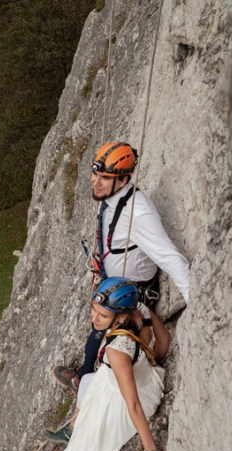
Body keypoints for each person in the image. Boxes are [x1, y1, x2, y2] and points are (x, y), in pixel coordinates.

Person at [53, 141, 189, 396]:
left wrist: (199, 303)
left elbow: (171, 259)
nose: (96, 182)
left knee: (108, 341)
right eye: (95, 174)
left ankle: (90, 387)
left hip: (130, 294)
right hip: (114, 284)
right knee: (97, 330)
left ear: (124, 179)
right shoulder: (110, 196)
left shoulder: (138, 213)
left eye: (105, 177)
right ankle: (84, 375)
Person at [35, 277, 169, 451]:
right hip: (149, 381)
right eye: (93, 310)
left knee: (89, 431)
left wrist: (151, 450)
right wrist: (149, 366)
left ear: (121, 317)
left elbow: (133, 404)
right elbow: (164, 339)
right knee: (88, 398)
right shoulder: (140, 309)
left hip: (126, 398)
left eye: (103, 315)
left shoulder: (118, 349)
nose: (94, 319)